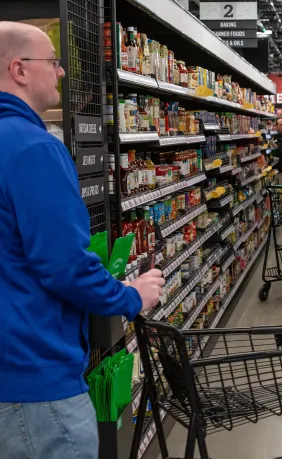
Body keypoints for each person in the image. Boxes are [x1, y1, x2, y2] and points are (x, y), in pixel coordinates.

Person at [0, 21, 165, 459]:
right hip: (34, 377)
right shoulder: (32, 147)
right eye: (53, 62)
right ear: (19, 69)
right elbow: (64, 265)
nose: (61, 72)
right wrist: (131, 296)